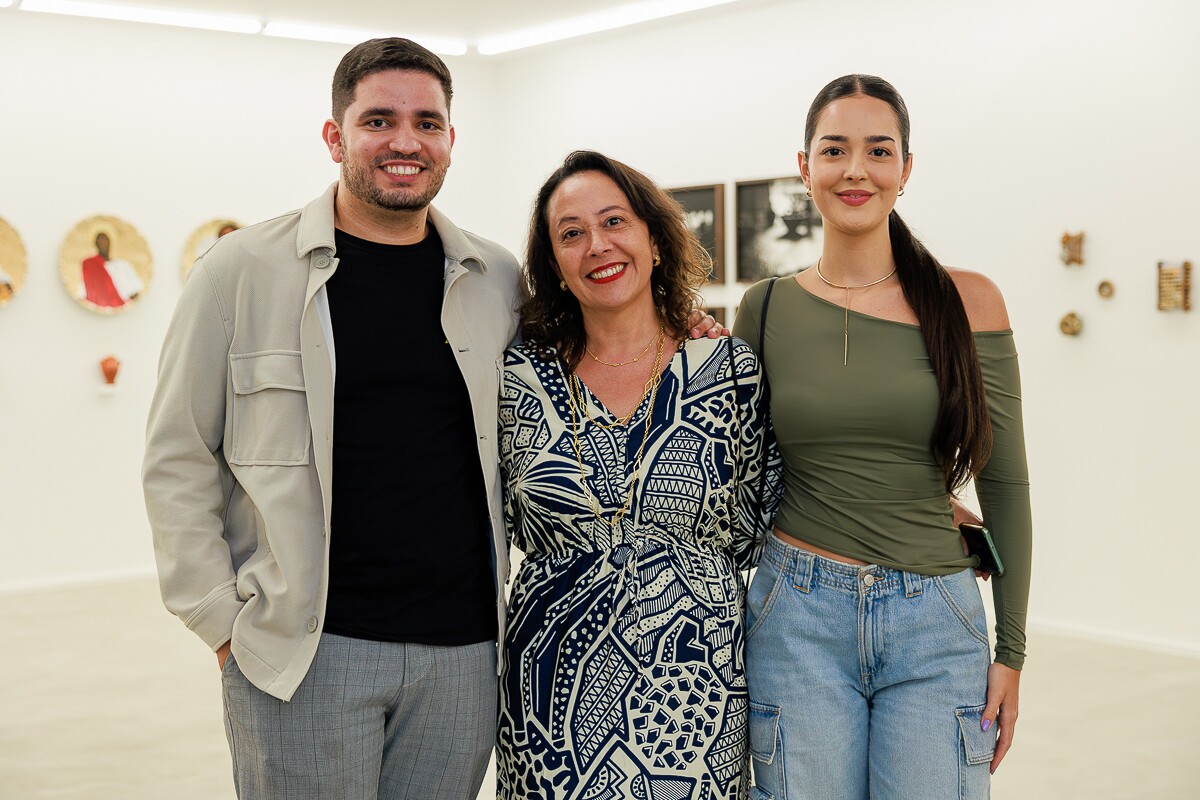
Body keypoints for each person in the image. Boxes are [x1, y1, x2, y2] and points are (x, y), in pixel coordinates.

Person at [143, 39, 722, 800]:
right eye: (378, 120)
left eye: (428, 122)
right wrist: (223, 625)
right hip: (307, 651)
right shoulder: (241, 272)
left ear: (451, 140)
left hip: (462, 658)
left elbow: (597, 344)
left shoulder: (496, 281)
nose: (405, 141)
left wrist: (688, 331)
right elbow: (178, 456)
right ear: (334, 136)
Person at [733, 75, 1032, 799]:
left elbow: (1006, 483)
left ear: (905, 167)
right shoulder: (764, 309)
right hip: (797, 617)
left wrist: (1012, 652)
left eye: (878, 150)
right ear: (804, 168)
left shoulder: (969, 300)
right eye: (834, 150)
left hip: (935, 620)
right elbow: (739, 470)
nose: (856, 170)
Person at [496, 150, 781, 800]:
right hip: (550, 696)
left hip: (694, 691)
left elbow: (763, 519)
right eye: (571, 233)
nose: (597, 245)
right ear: (557, 266)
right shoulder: (518, 380)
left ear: (654, 239)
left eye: (614, 221)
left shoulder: (728, 369)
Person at [77, 231, 143, 308]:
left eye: (105, 240)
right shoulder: (89, 264)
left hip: (123, 308)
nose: (102, 243)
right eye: (100, 240)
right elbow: (83, 294)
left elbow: (135, 293)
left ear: (109, 242)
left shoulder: (123, 265)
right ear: (96, 244)